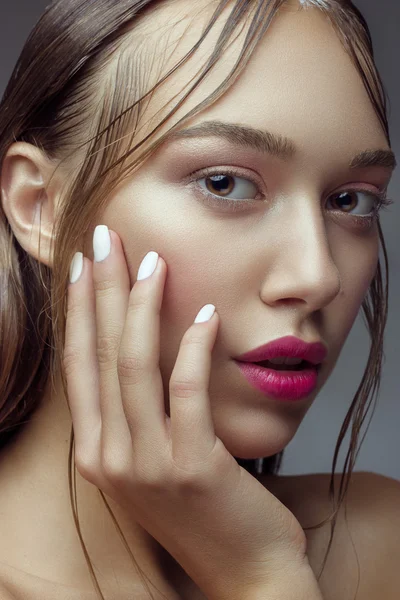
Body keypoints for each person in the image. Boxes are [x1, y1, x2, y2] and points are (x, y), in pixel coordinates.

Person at [0, 0, 399, 598]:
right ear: (42, 208)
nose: (319, 277)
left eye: (351, 201)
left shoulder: (381, 546)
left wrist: (265, 574)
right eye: (225, 182)